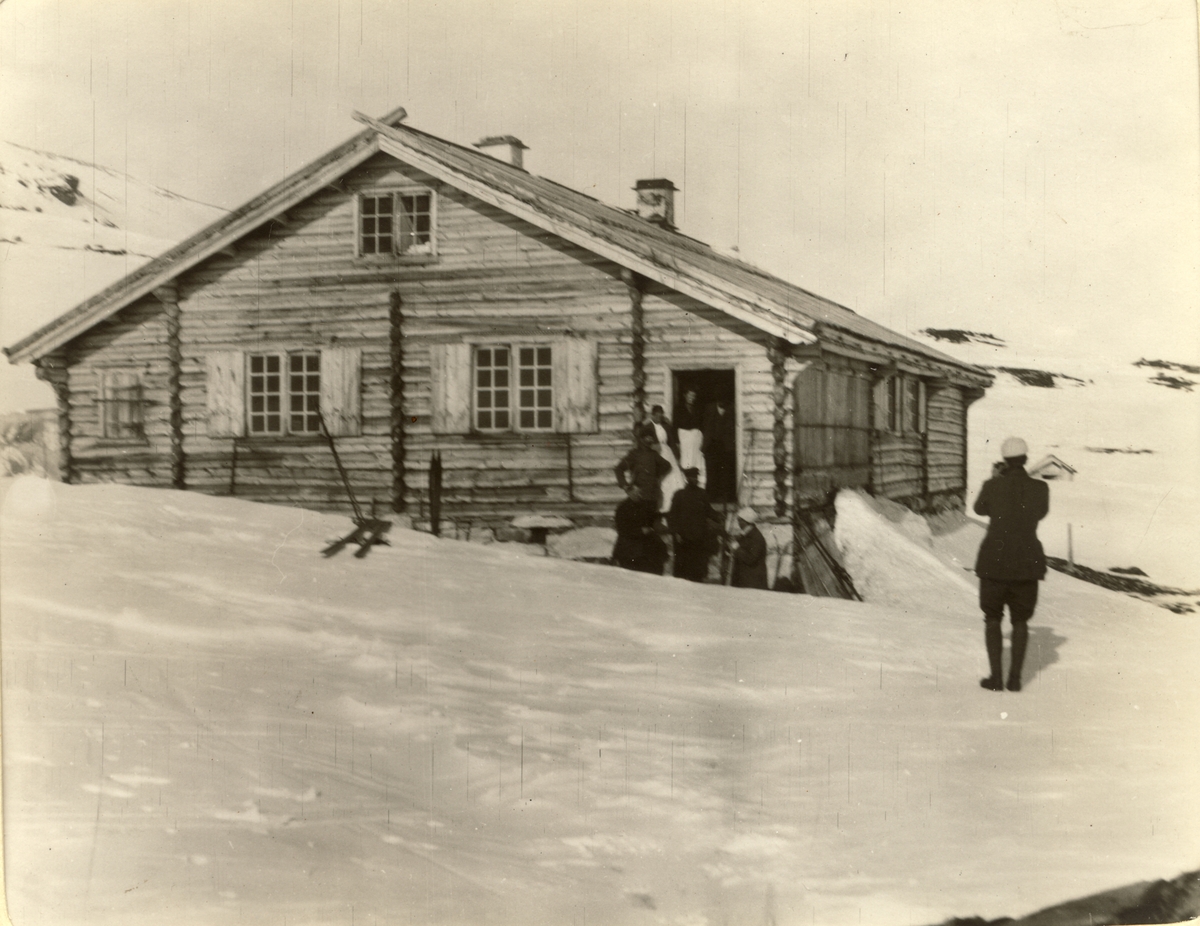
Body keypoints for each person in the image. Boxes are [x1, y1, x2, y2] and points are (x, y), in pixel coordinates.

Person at [973, 436, 1050, 692]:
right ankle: (1015, 679)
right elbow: (1039, 513)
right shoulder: (1041, 489)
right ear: (1026, 460)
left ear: (1004, 461)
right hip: (1027, 562)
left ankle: (996, 678)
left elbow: (979, 509)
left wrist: (996, 479)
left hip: (993, 562)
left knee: (992, 617)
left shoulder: (992, 485)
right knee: (1020, 620)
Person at [667, 467, 718, 582]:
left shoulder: (702, 494)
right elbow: (672, 516)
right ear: (686, 478)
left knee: (697, 569)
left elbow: (709, 511)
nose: (694, 479)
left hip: (698, 538)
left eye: (696, 477)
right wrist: (675, 533)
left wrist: (719, 517)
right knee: (682, 568)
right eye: (692, 477)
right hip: (683, 538)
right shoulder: (679, 495)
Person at [614, 424, 672, 512]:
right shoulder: (634, 454)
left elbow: (666, 465)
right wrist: (627, 487)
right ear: (641, 439)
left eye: (651, 437)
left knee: (650, 522)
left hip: (652, 497)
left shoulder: (654, 454)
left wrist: (657, 476)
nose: (650, 440)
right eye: (648, 437)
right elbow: (619, 469)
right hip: (639, 497)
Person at [612, 486, 667, 574]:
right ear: (629, 493)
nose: (637, 495)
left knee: (658, 549)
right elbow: (622, 529)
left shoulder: (643, 505)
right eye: (634, 493)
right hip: (629, 542)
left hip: (644, 540)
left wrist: (661, 518)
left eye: (639, 492)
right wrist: (640, 531)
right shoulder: (622, 508)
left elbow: (651, 519)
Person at [648, 405, 685, 514]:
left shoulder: (666, 426)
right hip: (656, 454)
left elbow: (672, 443)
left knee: (674, 477)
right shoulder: (648, 427)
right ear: (653, 415)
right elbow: (645, 443)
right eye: (657, 416)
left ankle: (675, 506)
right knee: (662, 480)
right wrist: (653, 447)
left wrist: (677, 457)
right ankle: (662, 507)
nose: (659, 418)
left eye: (661, 416)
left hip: (668, 454)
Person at [702, 398, 737, 503]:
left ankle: (724, 497)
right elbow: (705, 427)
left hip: (726, 447)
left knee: (725, 473)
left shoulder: (732, 409)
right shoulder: (709, 409)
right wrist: (704, 447)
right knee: (712, 472)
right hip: (712, 446)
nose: (723, 405)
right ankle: (712, 497)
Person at [730, 506, 768, 589]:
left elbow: (751, 558)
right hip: (744, 581)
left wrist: (737, 549)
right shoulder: (745, 534)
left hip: (752, 582)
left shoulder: (756, 537)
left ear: (746, 521)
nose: (738, 522)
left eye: (740, 520)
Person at [674, 388, 706, 487]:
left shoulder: (698, 409)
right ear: (685, 395)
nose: (691, 398)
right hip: (684, 440)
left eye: (693, 396)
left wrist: (701, 439)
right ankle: (685, 487)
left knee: (696, 463)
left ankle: (697, 488)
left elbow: (702, 425)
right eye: (690, 395)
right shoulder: (678, 408)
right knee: (685, 462)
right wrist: (677, 442)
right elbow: (675, 426)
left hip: (696, 440)